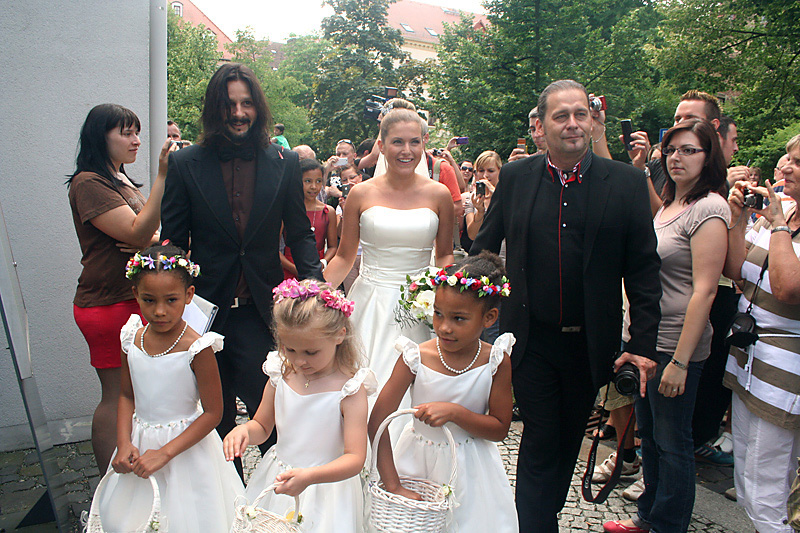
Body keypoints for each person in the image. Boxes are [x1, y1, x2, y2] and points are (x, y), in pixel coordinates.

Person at [470, 79, 661, 532]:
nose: (573, 123)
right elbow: (484, 249)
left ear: (592, 119)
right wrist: (458, 311)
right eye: (562, 115)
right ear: (542, 124)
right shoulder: (516, 177)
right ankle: (536, 524)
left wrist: (643, 345)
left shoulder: (629, 183)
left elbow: (643, 272)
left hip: (589, 346)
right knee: (539, 440)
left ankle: (544, 515)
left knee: (565, 439)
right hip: (530, 340)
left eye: (581, 114)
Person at [161, 63, 323, 474]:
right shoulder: (185, 165)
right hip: (204, 314)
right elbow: (175, 242)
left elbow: (301, 234)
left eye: (246, 103)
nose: (238, 113)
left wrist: (316, 284)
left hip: (259, 310)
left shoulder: (284, 163)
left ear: (258, 108)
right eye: (230, 104)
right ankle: (225, 503)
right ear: (216, 108)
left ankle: (274, 502)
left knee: (269, 415)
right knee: (213, 421)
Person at [604, 119, 730, 533]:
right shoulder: (673, 205)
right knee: (653, 437)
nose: (677, 157)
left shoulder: (710, 207)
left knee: (673, 442)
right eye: (672, 150)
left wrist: (679, 361)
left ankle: (667, 524)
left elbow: (705, 292)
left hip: (675, 344)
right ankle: (648, 517)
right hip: (645, 340)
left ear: (708, 157)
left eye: (689, 150)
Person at [369, 251, 518, 532]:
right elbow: (378, 420)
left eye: (459, 319)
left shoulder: (496, 361)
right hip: (416, 465)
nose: (444, 327)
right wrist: (393, 484)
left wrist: (456, 413)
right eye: (438, 314)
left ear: (489, 317)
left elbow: (499, 428)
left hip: (473, 471)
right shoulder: (416, 357)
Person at [102, 243, 243, 533]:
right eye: (149, 300)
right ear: (135, 295)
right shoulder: (131, 340)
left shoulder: (198, 348)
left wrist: (165, 453)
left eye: (171, 300)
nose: (160, 311)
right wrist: (124, 442)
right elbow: (127, 395)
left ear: (189, 295)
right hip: (141, 444)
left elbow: (214, 413)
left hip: (186, 451)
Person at [67, 103, 172, 473]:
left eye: (136, 132)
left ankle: (129, 475)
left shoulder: (119, 178)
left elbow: (147, 235)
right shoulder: (89, 183)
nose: (136, 140)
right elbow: (137, 232)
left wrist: (146, 237)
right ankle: (107, 490)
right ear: (101, 137)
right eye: (126, 133)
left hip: (126, 299)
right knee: (116, 395)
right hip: (106, 304)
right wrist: (163, 175)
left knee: (135, 394)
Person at [223, 279, 375, 533]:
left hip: (326, 488)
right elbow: (262, 425)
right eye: (290, 349)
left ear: (340, 335)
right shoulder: (280, 373)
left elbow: (355, 457)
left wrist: (310, 477)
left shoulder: (349, 390)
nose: (299, 361)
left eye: (311, 352)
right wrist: (245, 432)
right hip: (279, 478)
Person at [324, 108, 455, 388]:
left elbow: (444, 254)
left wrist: (441, 295)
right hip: (371, 301)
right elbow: (345, 256)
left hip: (419, 304)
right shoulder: (361, 193)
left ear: (424, 142)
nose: (406, 150)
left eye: (414, 142)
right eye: (397, 142)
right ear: (381, 146)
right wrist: (315, 291)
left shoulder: (439, 194)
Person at [722, 133, 800, 533]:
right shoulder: (779, 215)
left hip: (784, 376)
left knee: (769, 484)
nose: (783, 167)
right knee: (748, 479)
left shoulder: (782, 221)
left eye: (796, 162)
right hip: (750, 359)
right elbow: (737, 271)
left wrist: (780, 225)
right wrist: (737, 219)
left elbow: (789, 289)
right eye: (786, 158)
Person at [280, 158, 337, 280]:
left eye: (318, 181)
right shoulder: (286, 211)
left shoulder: (328, 212)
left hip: (318, 270)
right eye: (307, 181)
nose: (313, 187)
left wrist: (323, 263)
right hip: (290, 269)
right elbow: (274, 249)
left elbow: (333, 246)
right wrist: (295, 268)